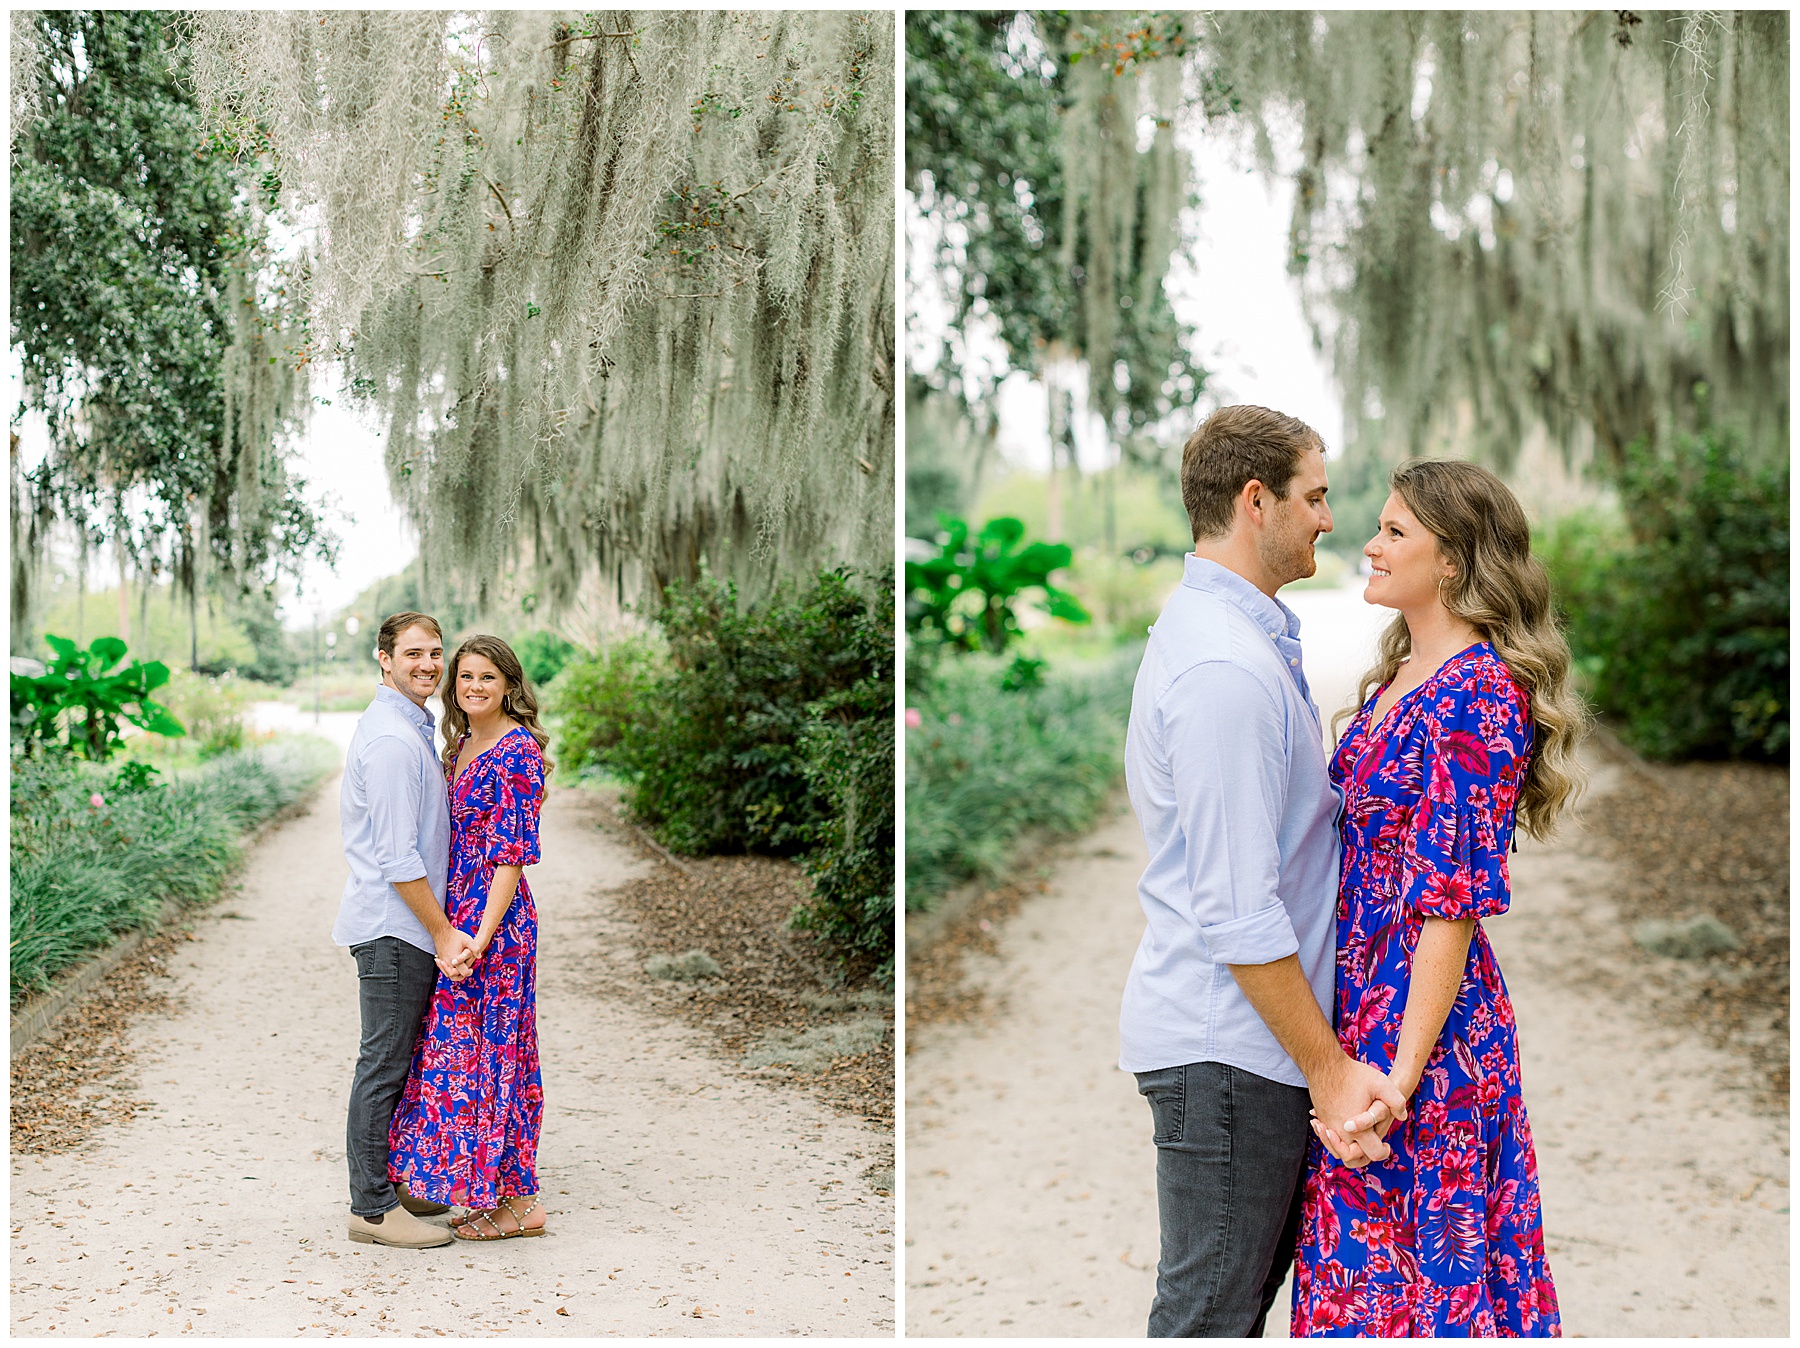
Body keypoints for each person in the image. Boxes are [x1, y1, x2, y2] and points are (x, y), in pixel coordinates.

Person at [1120, 404, 1407, 1337]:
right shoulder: (1223, 671)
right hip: (1230, 1055)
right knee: (1205, 1321)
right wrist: (1328, 1071)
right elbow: (1238, 913)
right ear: (1257, 500)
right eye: (1315, 497)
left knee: (1223, 1318)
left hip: (1244, 1052)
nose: (1330, 519)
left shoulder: (1234, 640)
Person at [1290, 461, 1584, 1337]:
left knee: (1425, 1288)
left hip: (1425, 1031)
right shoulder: (1402, 677)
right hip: (1363, 1009)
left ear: (1451, 560)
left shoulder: (1480, 694)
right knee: (1368, 1284)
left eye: (1393, 533)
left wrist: (1399, 1080)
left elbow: (1448, 908)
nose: (1368, 545)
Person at [388, 634, 551, 1241]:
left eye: (487, 677)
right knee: (460, 1056)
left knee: (499, 1054)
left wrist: (478, 936)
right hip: (455, 917)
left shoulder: (518, 751)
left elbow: (512, 858)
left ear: (508, 683)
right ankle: (482, 1188)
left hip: (496, 925)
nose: (474, 687)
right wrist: (445, 928)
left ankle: (521, 1201)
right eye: (465, 678)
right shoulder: (459, 746)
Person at [336, 611, 478, 1249]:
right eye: (413, 653)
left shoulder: (409, 725)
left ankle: (388, 1188)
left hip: (404, 928)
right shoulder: (393, 741)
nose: (427, 663)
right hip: (396, 931)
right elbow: (398, 859)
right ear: (384, 659)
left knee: (399, 1060)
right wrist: (445, 933)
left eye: (435, 652)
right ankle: (369, 1210)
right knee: (384, 1064)